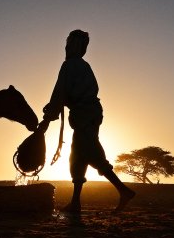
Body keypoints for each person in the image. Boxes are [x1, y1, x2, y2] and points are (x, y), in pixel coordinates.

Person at [37, 29, 135, 214]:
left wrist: (47, 120)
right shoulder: (84, 66)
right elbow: (67, 95)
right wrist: (56, 107)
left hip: (84, 114)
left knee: (91, 153)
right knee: (79, 156)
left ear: (79, 47)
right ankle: (76, 203)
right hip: (90, 113)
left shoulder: (69, 65)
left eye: (72, 43)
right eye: (68, 42)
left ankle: (124, 191)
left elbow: (59, 94)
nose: (68, 46)